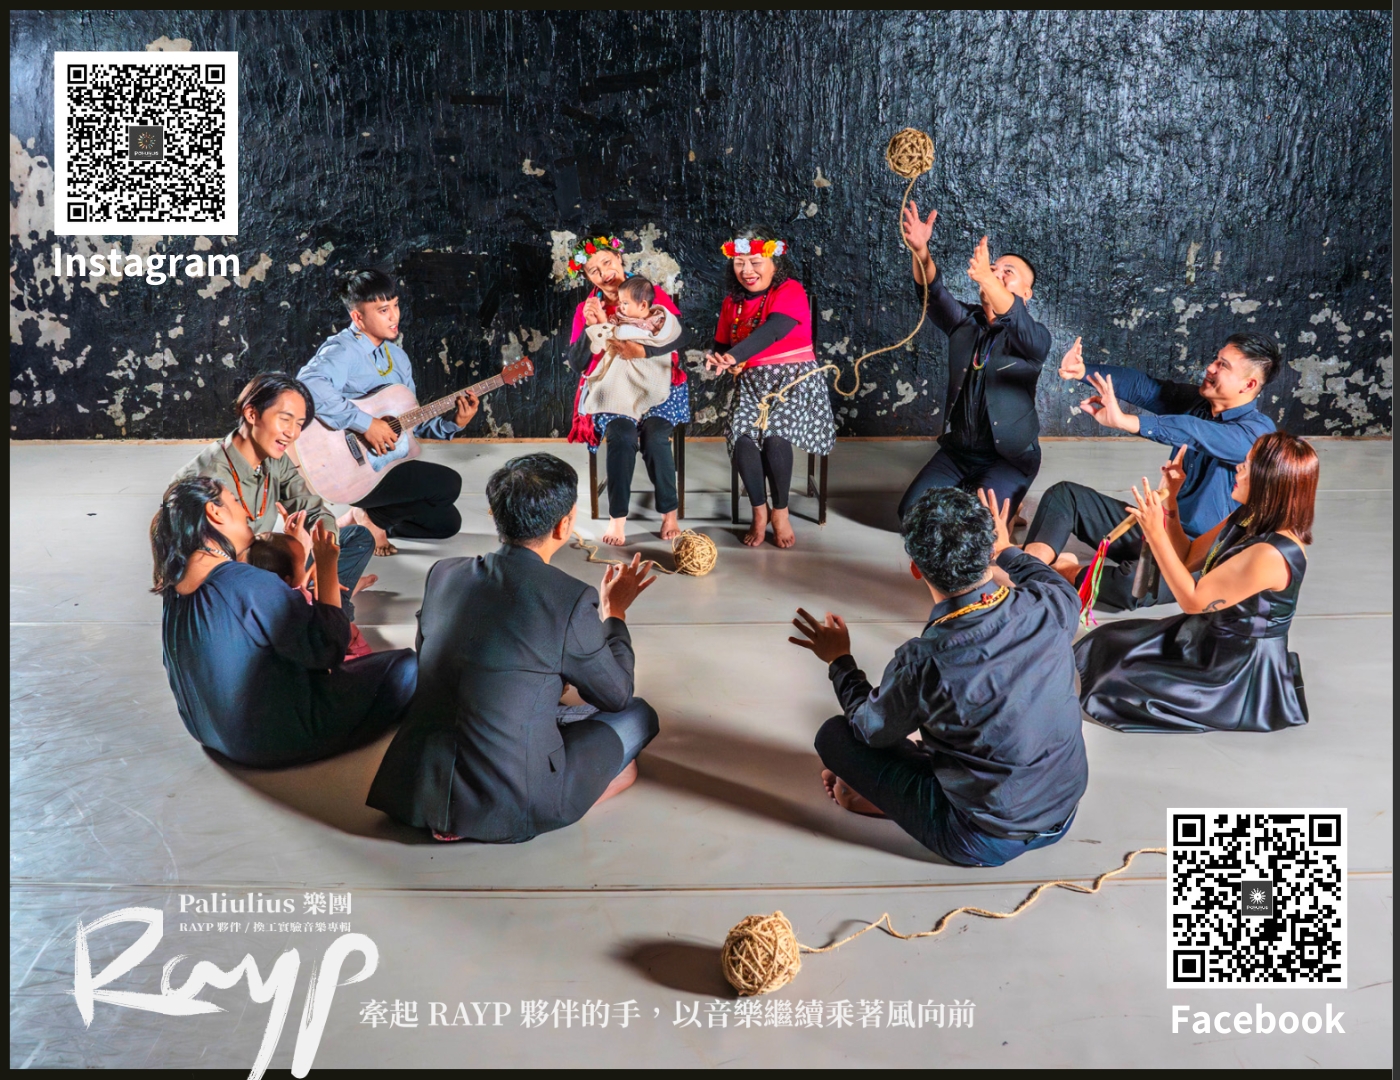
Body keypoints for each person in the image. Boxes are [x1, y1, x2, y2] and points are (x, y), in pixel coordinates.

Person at [367, 453, 660, 843]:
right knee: (638, 715)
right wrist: (615, 613)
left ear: (495, 515)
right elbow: (616, 695)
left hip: (412, 788)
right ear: (564, 524)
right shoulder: (569, 598)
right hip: (506, 801)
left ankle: (454, 808)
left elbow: (435, 660)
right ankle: (540, 805)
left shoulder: (445, 573)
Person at [790, 487, 1087, 867]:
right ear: (988, 549)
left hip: (982, 840)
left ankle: (884, 801)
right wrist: (1007, 548)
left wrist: (839, 660)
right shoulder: (1052, 603)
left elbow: (869, 729)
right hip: (1064, 811)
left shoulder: (926, 659)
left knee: (834, 735)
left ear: (915, 567)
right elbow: (1044, 576)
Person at [153, 476, 416, 768]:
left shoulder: (175, 588)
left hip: (210, 735)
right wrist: (326, 565)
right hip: (274, 741)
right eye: (235, 502)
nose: (247, 512)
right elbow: (329, 649)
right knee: (407, 666)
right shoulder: (250, 583)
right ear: (215, 512)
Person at [1075, 431, 1315, 733]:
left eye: (1248, 464)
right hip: (1209, 636)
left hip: (1236, 667)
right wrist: (1170, 501)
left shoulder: (1270, 554)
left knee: (1116, 684)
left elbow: (1192, 601)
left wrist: (1155, 533)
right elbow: (1188, 558)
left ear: (1270, 481)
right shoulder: (1247, 516)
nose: (1238, 467)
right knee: (1106, 642)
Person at [1023, 332, 1280, 610]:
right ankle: (1027, 569)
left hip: (1198, 555)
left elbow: (1193, 432)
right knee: (1065, 497)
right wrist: (1084, 371)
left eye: (1223, 365)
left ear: (1249, 384)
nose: (1210, 368)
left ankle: (1062, 571)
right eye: (1216, 360)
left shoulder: (1258, 436)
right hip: (1160, 527)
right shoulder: (1199, 403)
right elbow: (1147, 388)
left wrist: (1125, 421)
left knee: (1130, 586)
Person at [297, 268, 478, 556]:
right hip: (356, 469)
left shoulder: (398, 358)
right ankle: (374, 518)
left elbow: (411, 423)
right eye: (383, 310)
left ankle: (362, 517)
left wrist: (454, 423)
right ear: (358, 317)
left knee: (446, 523)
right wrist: (366, 424)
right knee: (449, 484)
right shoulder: (343, 351)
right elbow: (308, 384)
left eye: (395, 305)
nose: (394, 316)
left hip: (389, 462)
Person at [172, 372, 377, 620]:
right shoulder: (205, 482)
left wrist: (322, 558)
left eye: (299, 424)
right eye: (285, 419)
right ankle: (333, 600)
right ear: (252, 414)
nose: (293, 433)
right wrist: (301, 568)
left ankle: (327, 596)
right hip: (232, 590)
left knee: (358, 537)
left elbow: (314, 510)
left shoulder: (274, 459)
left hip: (267, 568)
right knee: (330, 617)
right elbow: (206, 574)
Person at [896, 202, 1052, 522]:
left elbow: (1014, 316)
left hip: (1009, 458)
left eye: (1008, 272)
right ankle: (978, 493)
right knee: (911, 516)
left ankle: (1005, 501)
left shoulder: (1034, 338)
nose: (996, 273)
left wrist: (988, 279)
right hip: (958, 453)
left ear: (1027, 293)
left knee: (980, 527)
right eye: (993, 268)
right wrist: (921, 252)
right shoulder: (964, 321)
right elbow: (932, 291)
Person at [705, 227, 836, 549]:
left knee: (775, 436)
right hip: (752, 385)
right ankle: (759, 510)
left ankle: (780, 511)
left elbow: (775, 330)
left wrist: (734, 356)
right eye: (739, 263)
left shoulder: (790, 290)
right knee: (742, 438)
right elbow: (721, 343)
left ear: (774, 262)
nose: (747, 270)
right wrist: (722, 359)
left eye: (755, 262)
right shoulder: (732, 303)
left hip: (794, 382)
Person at [564, 235, 688, 546]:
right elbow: (577, 363)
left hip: (658, 386)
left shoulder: (648, 293)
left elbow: (678, 336)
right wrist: (591, 329)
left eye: (607, 262)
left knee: (655, 437)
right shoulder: (588, 308)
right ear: (587, 277)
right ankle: (617, 518)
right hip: (615, 389)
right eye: (594, 270)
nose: (604, 273)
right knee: (622, 436)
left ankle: (669, 513)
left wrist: (642, 351)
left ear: (619, 259)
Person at [247, 527, 373, 661]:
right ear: (287, 580)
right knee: (360, 536)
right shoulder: (296, 613)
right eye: (302, 564)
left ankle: (349, 587)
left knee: (356, 533)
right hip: (334, 628)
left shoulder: (260, 591)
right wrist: (326, 567)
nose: (306, 566)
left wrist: (296, 544)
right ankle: (348, 589)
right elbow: (334, 630)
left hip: (308, 593)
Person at [578, 274, 683, 420]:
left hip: (653, 367)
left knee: (656, 391)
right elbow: (611, 335)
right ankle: (617, 403)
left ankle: (646, 399)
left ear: (643, 305)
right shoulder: (620, 319)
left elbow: (672, 334)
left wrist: (646, 346)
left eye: (625, 303)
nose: (621, 307)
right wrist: (601, 322)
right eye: (620, 302)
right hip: (625, 372)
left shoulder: (658, 320)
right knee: (613, 378)